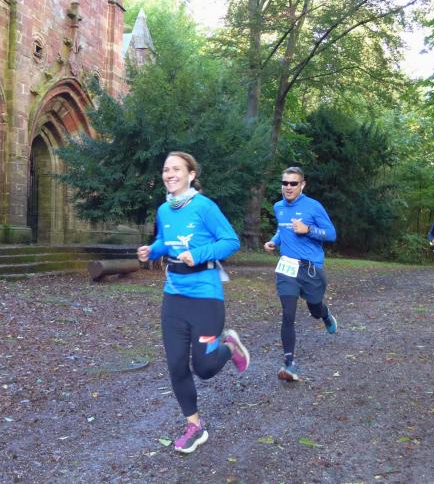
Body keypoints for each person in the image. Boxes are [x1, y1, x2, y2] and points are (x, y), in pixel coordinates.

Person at [136, 151, 250, 454]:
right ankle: (195, 426)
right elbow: (166, 240)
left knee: (204, 367)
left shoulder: (204, 207)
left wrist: (197, 255)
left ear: (191, 175)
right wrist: (152, 250)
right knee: (175, 364)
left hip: (205, 297)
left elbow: (231, 241)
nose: (169, 174)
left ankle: (230, 347)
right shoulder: (164, 209)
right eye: (166, 169)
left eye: (176, 169)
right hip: (174, 295)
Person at [263, 166, 337, 382]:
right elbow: (282, 229)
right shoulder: (278, 206)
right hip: (287, 267)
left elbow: (331, 234)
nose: (288, 187)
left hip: (310, 268)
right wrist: (273, 241)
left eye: (293, 183)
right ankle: (289, 364)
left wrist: (308, 230)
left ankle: (324, 314)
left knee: (314, 308)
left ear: (302, 185)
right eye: (285, 183)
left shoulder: (313, 206)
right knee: (288, 314)